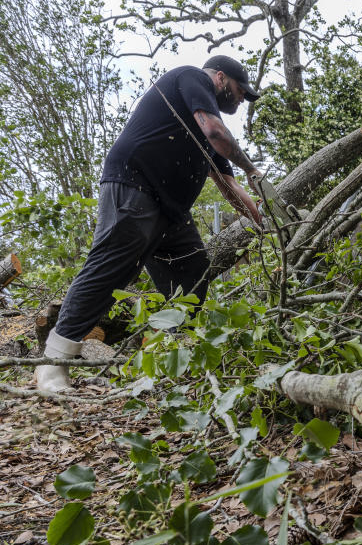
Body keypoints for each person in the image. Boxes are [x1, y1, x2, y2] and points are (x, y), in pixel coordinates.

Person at [36, 55, 265, 392]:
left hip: (170, 210)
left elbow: (229, 187)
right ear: (219, 77)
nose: (242, 98)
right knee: (111, 266)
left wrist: (263, 218)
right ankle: (52, 365)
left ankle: (178, 359)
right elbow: (217, 133)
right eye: (240, 90)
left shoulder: (203, 130)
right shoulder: (191, 78)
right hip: (133, 185)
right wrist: (251, 168)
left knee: (192, 269)